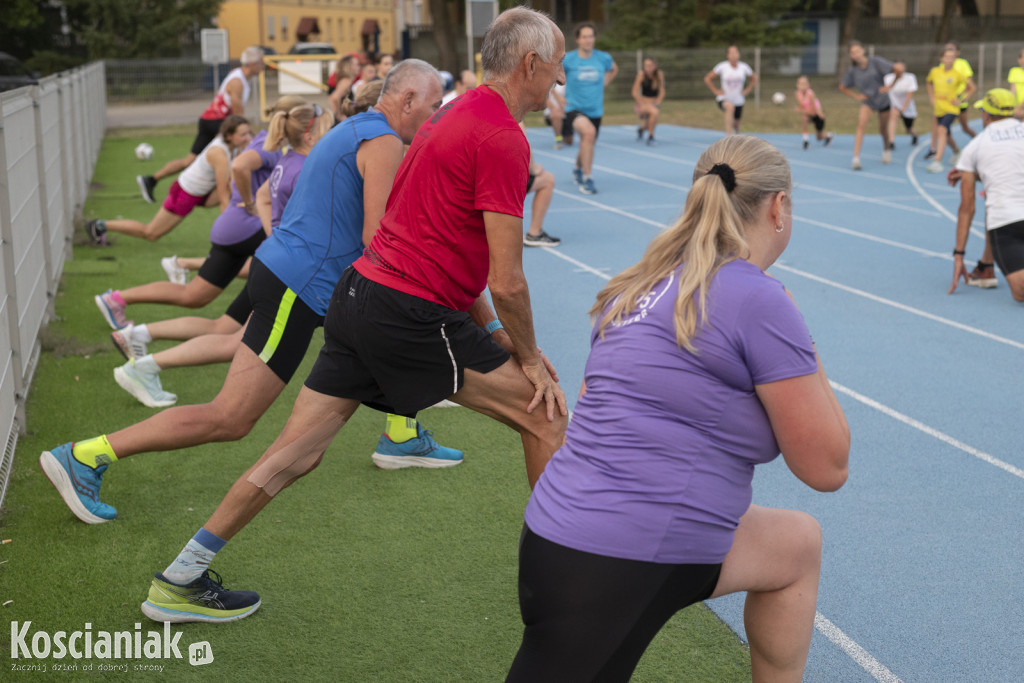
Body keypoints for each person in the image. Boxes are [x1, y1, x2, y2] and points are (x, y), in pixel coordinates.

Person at [134, 7, 568, 624]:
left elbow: (452, 247)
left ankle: (178, 580)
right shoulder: (500, 137)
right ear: (530, 63)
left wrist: (494, 331)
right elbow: (508, 278)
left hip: (358, 298)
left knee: (293, 455)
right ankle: (567, 591)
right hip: (407, 314)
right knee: (545, 416)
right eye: (555, 68)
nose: (559, 80)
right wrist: (527, 357)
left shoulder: (448, 118)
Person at [39, 60, 466, 530]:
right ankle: (86, 455)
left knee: (363, 354)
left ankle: (401, 432)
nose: (435, 115)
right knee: (231, 417)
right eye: (432, 106)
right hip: (298, 288)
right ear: (406, 100)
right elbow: (377, 236)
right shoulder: (382, 140)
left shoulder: (355, 129)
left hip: (290, 277)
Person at [507, 134, 850, 682]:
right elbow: (827, 468)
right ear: (778, 207)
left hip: (555, 535)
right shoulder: (759, 297)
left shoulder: (637, 283)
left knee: (796, 545)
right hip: (626, 555)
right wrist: (804, 346)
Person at [111, 104, 334, 408]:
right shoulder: (300, 164)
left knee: (225, 329)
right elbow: (245, 175)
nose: (333, 134)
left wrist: (273, 235)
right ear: (308, 133)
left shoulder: (290, 157)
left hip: (270, 258)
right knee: (215, 319)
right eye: (328, 127)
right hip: (272, 259)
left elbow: (265, 196)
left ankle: (141, 350)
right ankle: (138, 346)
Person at [96, 98, 309, 330]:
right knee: (263, 283)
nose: (247, 137)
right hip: (245, 226)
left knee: (195, 297)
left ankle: (119, 302)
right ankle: (177, 269)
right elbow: (239, 167)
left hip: (236, 228)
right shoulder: (267, 147)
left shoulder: (268, 143)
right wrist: (250, 202)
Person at [85, 116, 252, 253]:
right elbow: (223, 195)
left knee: (236, 185)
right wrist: (228, 232)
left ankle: (248, 224)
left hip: (203, 192)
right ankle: (99, 225)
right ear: (229, 136)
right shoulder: (219, 154)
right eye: (243, 134)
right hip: (185, 194)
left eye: (248, 133)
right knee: (150, 233)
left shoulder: (234, 145)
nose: (248, 138)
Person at [137, 47, 264, 203]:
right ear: (252, 63)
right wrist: (254, 137)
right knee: (236, 151)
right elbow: (238, 119)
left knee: (189, 161)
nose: (263, 66)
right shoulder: (238, 82)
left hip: (209, 120)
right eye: (261, 62)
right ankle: (232, 196)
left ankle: (151, 180)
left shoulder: (241, 78)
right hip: (217, 123)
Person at [948, 89, 1024, 301]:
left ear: (985, 114)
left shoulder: (975, 146)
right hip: (1009, 220)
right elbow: (1008, 171)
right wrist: (970, 174)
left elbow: (967, 207)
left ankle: (986, 268)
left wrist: (958, 255)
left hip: (1005, 224)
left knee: (1020, 293)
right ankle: (986, 267)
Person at [563, 22, 617, 195]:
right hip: (574, 108)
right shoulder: (569, 59)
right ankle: (587, 178)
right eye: (584, 37)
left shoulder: (603, 58)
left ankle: (578, 168)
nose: (588, 40)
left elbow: (614, 69)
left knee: (588, 141)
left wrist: (606, 81)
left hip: (595, 110)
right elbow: (552, 76)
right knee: (589, 133)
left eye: (591, 36)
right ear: (578, 39)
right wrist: (557, 99)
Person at [840, 41, 893, 170]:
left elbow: (896, 69)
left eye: (858, 51)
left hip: (883, 100)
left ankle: (886, 149)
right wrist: (857, 96)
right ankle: (856, 158)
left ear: (863, 50)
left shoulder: (875, 62)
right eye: (853, 53)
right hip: (868, 101)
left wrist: (890, 86)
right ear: (850, 56)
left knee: (883, 130)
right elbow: (842, 87)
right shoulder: (852, 70)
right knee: (861, 125)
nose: (856, 54)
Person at [925, 47, 973, 174]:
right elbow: (929, 82)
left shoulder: (957, 74)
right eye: (947, 57)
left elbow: (971, 87)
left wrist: (961, 99)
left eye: (953, 57)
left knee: (941, 130)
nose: (950, 60)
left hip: (951, 108)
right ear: (942, 59)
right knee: (946, 135)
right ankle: (957, 151)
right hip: (938, 108)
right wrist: (931, 97)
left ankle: (937, 161)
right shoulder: (935, 71)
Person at [519, 122, 559, 247]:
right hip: (496, 182)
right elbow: (522, 142)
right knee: (547, 180)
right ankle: (534, 233)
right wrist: (532, 168)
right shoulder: (513, 113)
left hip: (470, 177)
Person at [703, 45, 757, 136]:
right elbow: (707, 78)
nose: (733, 55)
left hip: (738, 100)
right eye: (731, 53)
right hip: (724, 98)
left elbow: (754, 78)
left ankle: (735, 134)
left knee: (736, 127)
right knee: (730, 107)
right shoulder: (722, 66)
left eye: (735, 52)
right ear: (727, 55)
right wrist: (715, 91)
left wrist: (747, 90)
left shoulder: (744, 67)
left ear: (739, 54)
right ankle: (728, 136)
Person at [883, 60, 919, 148]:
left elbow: (910, 95)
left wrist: (903, 108)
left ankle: (914, 135)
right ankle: (891, 142)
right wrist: (896, 78)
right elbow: (888, 88)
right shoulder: (888, 78)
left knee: (908, 128)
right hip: (895, 105)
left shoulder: (910, 77)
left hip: (907, 107)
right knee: (893, 117)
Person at [946, 42, 978, 139]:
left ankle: (977, 140)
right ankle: (954, 149)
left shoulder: (962, 64)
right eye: (947, 49)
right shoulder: (942, 65)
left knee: (965, 128)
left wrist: (962, 98)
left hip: (959, 102)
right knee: (943, 129)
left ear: (957, 52)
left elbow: (970, 86)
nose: (949, 52)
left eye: (951, 49)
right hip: (947, 102)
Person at [793, 75, 833, 149]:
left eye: (804, 84)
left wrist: (800, 110)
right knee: (804, 118)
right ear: (797, 85)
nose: (802, 86)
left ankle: (829, 135)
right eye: (800, 84)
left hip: (817, 115)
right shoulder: (797, 94)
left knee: (819, 137)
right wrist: (801, 109)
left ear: (808, 85)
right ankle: (806, 141)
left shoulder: (811, 94)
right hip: (808, 114)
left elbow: (813, 112)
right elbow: (801, 106)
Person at [632, 57, 664, 145]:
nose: (647, 68)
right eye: (646, 66)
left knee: (651, 123)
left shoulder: (659, 74)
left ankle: (641, 129)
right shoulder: (641, 75)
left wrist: (658, 102)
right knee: (654, 113)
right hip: (643, 103)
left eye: (650, 65)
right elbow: (634, 92)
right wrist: (641, 102)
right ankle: (651, 137)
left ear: (655, 66)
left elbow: (662, 91)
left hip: (654, 102)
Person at [327, 54, 359, 121]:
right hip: (342, 119)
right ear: (349, 67)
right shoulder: (346, 81)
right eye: (356, 65)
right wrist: (339, 115)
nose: (358, 67)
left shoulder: (347, 80)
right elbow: (334, 98)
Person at [1006, 49, 1024, 118]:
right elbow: (1012, 91)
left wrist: (1019, 108)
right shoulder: (1014, 71)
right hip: (1017, 107)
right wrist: (1011, 106)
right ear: (1019, 59)